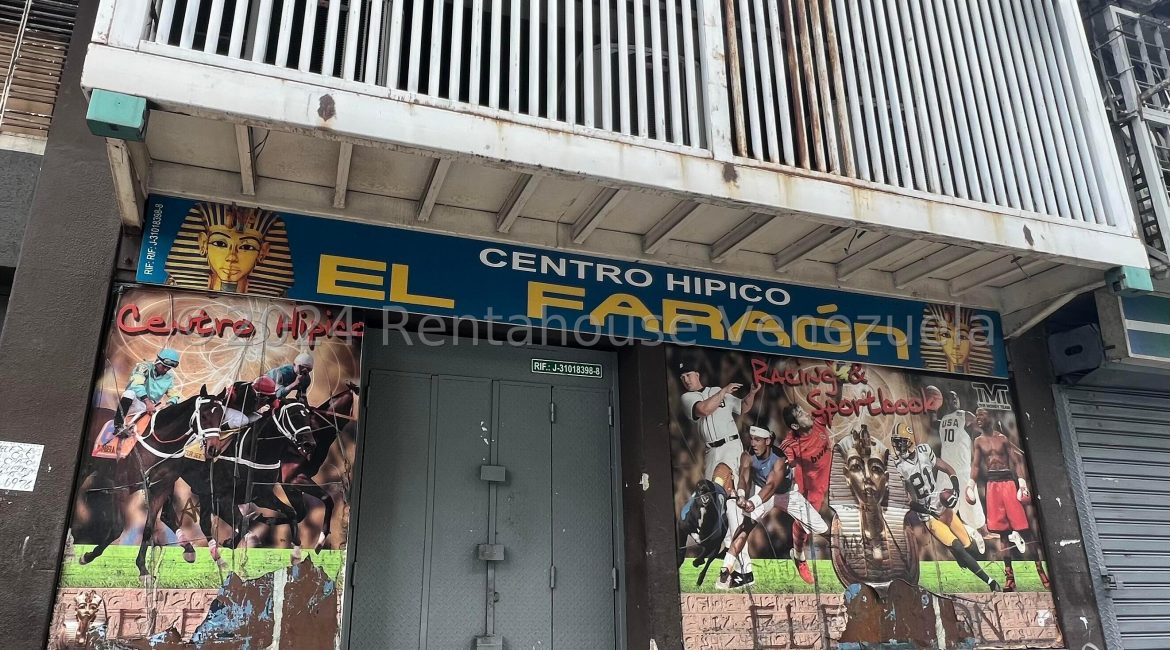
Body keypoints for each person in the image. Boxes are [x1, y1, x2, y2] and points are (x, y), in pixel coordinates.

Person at [892, 423, 1000, 592]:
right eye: (897, 443)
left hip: (942, 506)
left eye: (902, 442)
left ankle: (968, 540)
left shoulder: (924, 451)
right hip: (929, 516)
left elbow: (948, 469)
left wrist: (955, 489)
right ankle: (991, 582)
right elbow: (908, 501)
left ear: (911, 441)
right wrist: (926, 510)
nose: (899, 446)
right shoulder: (899, 466)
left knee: (969, 547)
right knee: (956, 546)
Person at [718, 426, 827, 590]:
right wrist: (741, 495)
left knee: (823, 529)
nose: (753, 443)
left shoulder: (779, 458)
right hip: (761, 491)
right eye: (751, 439)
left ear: (768, 441)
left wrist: (752, 503)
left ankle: (804, 558)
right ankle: (726, 567)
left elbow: (771, 486)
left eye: (757, 440)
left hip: (786, 494)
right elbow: (744, 478)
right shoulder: (747, 455)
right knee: (744, 527)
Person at [969, 412, 1051, 592]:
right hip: (992, 485)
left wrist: (1022, 484)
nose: (978, 418)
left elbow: (1016, 461)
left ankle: (1041, 571)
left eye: (982, 415)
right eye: (977, 415)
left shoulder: (1003, 439)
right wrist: (970, 485)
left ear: (989, 418)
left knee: (1025, 531)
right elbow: (975, 465)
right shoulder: (978, 441)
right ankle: (1010, 578)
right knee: (1003, 535)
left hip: (1007, 483)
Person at [779, 403, 833, 583]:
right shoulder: (791, 443)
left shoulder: (819, 421)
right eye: (801, 414)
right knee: (805, 525)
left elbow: (835, 402)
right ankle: (799, 557)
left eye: (803, 410)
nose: (806, 413)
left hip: (832, 477)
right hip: (811, 487)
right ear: (795, 426)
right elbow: (783, 461)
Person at [936, 392, 987, 535]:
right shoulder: (955, 417)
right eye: (951, 397)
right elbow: (982, 428)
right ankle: (972, 531)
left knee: (965, 502)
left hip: (955, 469)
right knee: (947, 506)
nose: (954, 399)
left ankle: (979, 531)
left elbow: (980, 428)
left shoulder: (958, 416)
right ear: (945, 401)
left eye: (956, 397)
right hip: (951, 469)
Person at [114, 348, 183, 436]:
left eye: (168, 368)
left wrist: (169, 404)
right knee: (129, 393)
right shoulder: (144, 367)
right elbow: (136, 384)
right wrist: (147, 402)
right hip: (136, 403)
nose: (166, 370)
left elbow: (175, 395)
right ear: (157, 361)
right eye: (164, 366)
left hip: (152, 409)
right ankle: (118, 427)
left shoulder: (169, 378)